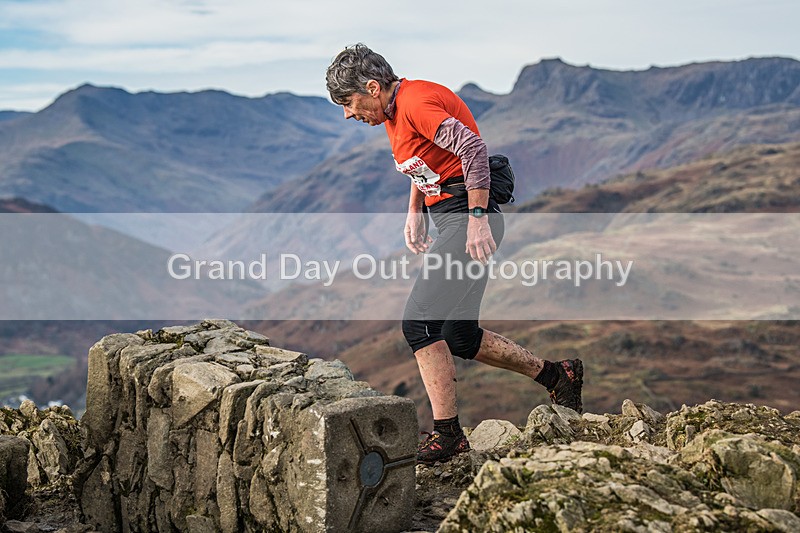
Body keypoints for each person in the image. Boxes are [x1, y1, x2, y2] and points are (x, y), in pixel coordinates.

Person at [326, 44, 583, 465]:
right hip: (451, 218)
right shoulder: (395, 113)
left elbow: (472, 149)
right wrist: (415, 212)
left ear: (372, 88)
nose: (349, 114)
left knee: (418, 325)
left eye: (350, 103)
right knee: (459, 335)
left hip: (467, 220)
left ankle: (448, 436)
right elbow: (422, 160)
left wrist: (478, 217)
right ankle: (558, 375)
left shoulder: (415, 103)